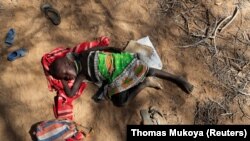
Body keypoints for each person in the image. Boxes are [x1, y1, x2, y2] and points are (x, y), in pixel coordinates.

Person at [48, 46, 194, 106]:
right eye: (65, 77)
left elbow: (70, 93)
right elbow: (102, 47)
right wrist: (118, 51)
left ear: (70, 61)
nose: (68, 77)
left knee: (121, 102)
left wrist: (62, 81)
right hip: (122, 66)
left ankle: (156, 82)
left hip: (119, 70)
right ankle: (154, 81)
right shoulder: (84, 58)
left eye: (66, 74)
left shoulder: (81, 72)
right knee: (147, 71)